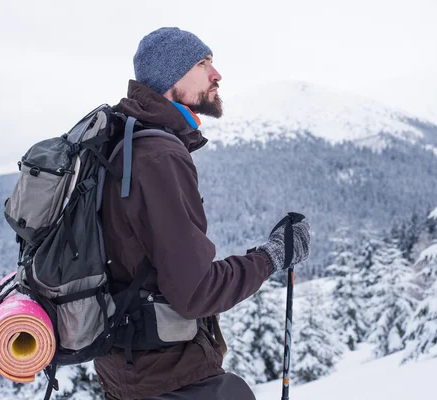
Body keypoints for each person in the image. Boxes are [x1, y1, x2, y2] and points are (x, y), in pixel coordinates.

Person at [94, 27, 311, 400]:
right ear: (170, 76)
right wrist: (273, 256)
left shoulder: (124, 143)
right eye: (202, 63)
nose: (216, 74)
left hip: (129, 372)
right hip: (170, 379)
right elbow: (196, 292)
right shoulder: (159, 157)